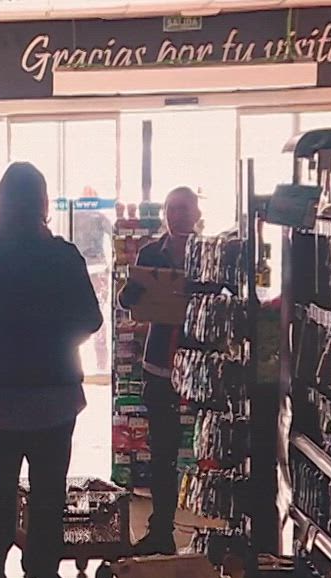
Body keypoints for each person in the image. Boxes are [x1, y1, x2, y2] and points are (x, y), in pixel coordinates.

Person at [0, 162, 102, 578]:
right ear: (43, 201)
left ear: (0, 200)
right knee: (48, 491)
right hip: (53, 386)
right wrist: (56, 339)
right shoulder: (62, 256)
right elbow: (92, 319)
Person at [118, 186, 201, 555]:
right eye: (170, 208)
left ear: (196, 213)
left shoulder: (206, 254)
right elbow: (127, 300)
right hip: (159, 364)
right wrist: (134, 291)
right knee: (162, 451)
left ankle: (218, 533)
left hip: (200, 364)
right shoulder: (151, 253)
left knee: (210, 447)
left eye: (182, 208)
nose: (175, 215)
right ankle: (161, 530)